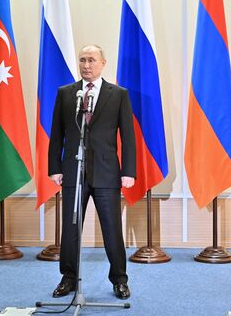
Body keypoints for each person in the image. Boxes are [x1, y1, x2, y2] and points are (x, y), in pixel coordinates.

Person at [48, 44, 136, 300]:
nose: (86, 65)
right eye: (82, 60)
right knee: (71, 228)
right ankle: (68, 278)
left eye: (91, 60)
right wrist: (55, 167)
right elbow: (57, 134)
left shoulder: (118, 94)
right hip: (73, 171)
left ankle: (119, 279)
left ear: (103, 63)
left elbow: (128, 137)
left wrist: (127, 171)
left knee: (111, 229)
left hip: (107, 173)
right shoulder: (67, 93)